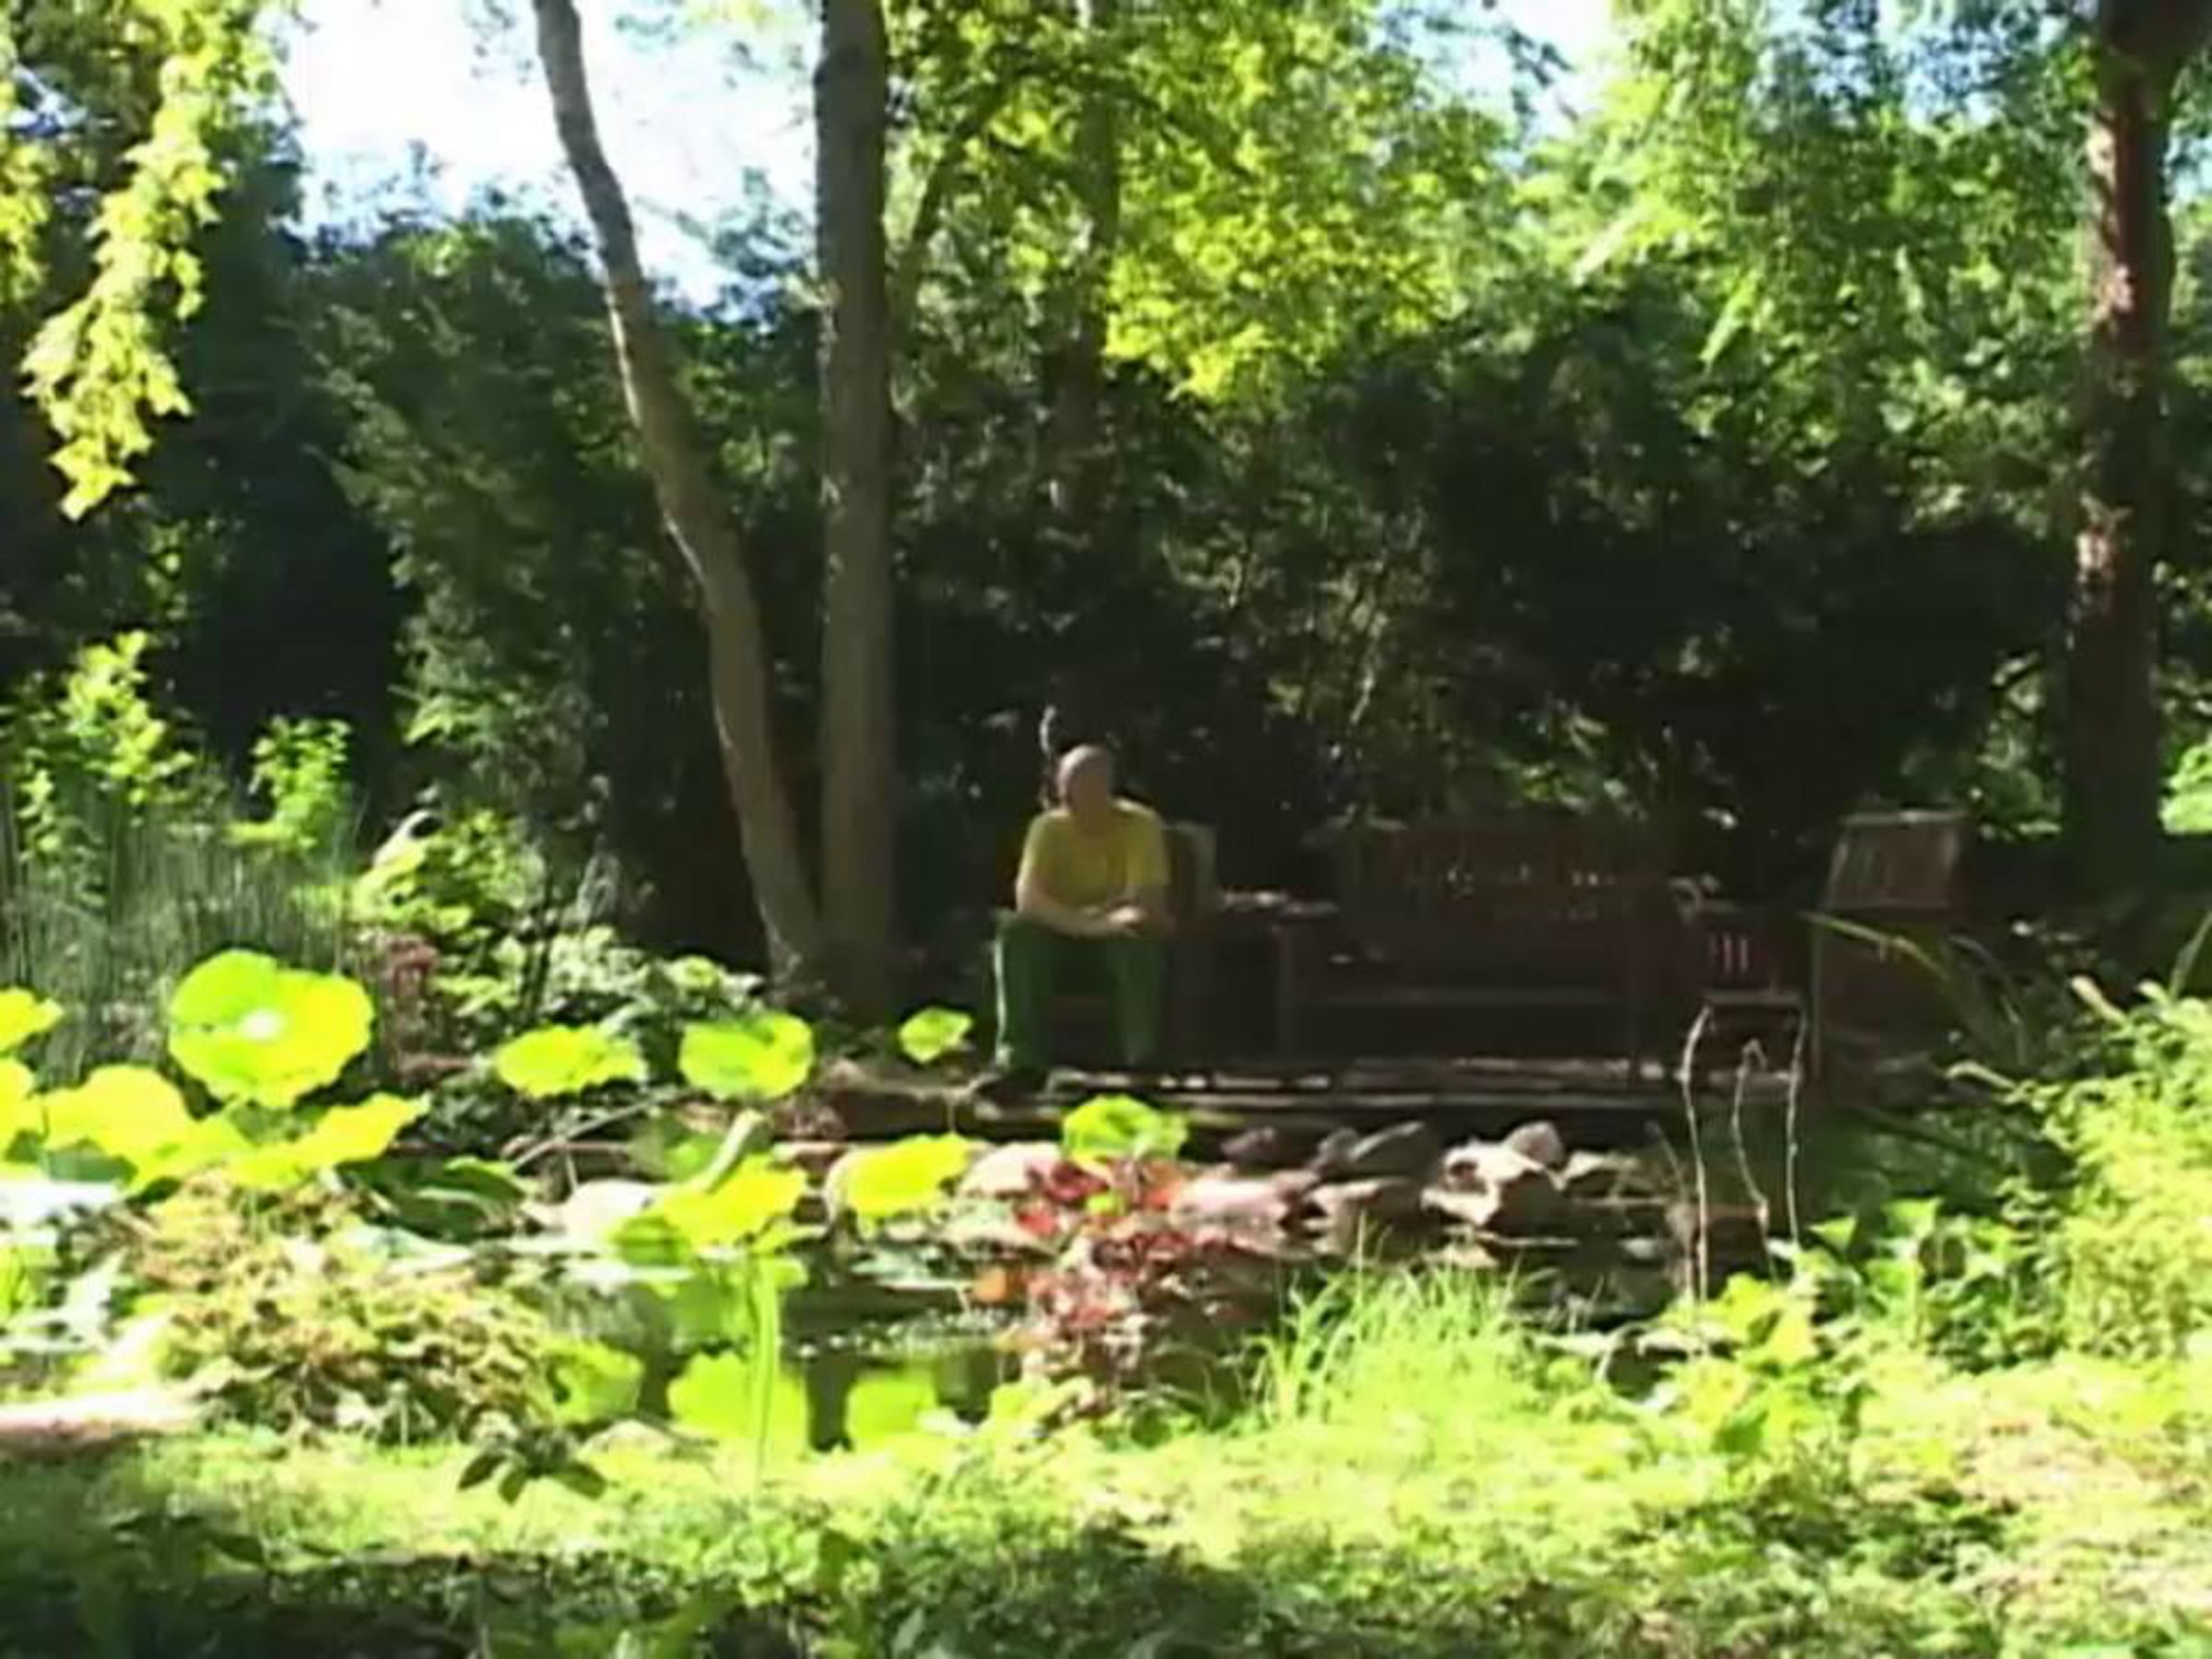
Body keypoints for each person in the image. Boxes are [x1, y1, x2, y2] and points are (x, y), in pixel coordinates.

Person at [991, 744, 1170, 1081]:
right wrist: (1090, 923)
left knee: (1137, 941)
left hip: (1116, 941)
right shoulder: (1046, 829)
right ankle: (1020, 1058)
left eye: (1083, 790)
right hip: (1063, 937)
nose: (1071, 799)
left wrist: (1095, 921)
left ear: (1106, 789)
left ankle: (1141, 1059)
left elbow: (1144, 903)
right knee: (1016, 933)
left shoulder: (1141, 825)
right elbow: (1028, 900)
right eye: (1066, 790)